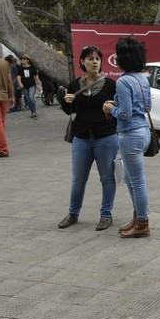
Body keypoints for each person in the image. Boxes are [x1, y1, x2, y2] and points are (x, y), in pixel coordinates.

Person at [57, 46, 119, 231]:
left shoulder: (110, 85)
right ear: (82, 62)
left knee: (107, 178)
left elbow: (117, 111)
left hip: (106, 137)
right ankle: (73, 213)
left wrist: (113, 107)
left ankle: (106, 214)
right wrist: (65, 102)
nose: (94, 62)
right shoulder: (75, 85)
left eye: (97, 59)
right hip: (81, 137)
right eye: (90, 59)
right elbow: (70, 111)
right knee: (78, 179)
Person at [102, 37, 152, 238]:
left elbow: (125, 113)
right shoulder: (143, 79)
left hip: (130, 134)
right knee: (132, 179)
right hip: (144, 132)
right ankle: (138, 216)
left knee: (137, 181)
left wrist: (111, 109)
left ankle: (142, 222)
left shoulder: (123, 81)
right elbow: (148, 107)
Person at [16, 54, 42, 119]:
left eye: (24, 59)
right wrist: (20, 83)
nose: (22, 60)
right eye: (21, 59)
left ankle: (34, 112)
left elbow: (36, 77)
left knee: (31, 97)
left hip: (32, 85)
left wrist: (39, 85)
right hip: (24, 86)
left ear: (28, 60)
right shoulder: (20, 68)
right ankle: (32, 112)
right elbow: (18, 76)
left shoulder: (32, 68)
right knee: (28, 99)